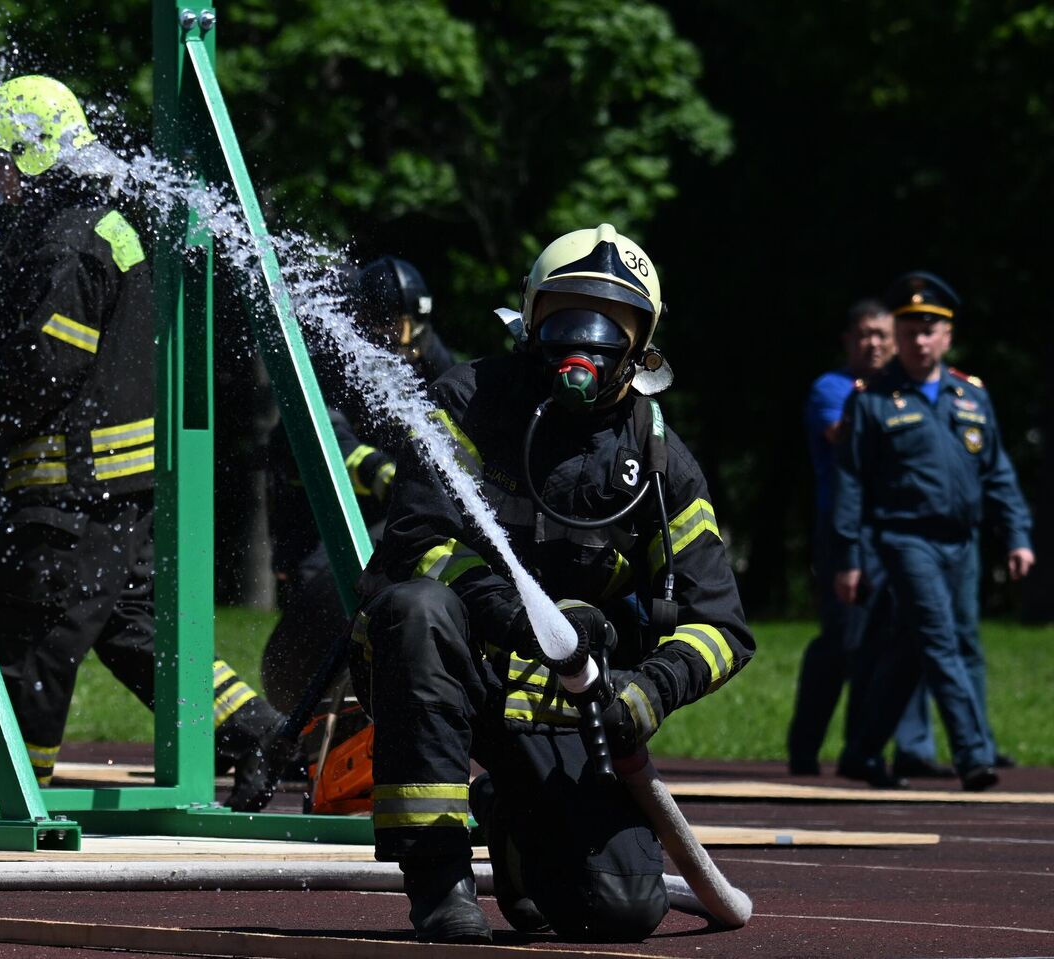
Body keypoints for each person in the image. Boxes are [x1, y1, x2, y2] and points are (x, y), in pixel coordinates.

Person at [348, 225, 754, 942]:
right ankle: (439, 880)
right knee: (417, 607)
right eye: (566, 317)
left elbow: (722, 625)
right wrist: (514, 612)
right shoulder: (470, 400)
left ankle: (510, 818)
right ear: (531, 319)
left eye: (609, 327)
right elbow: (419, 539)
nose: (585, 343)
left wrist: (650, 687)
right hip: (452, 667)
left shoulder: (658, 461)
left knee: (619, 907)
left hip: (565, 704)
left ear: (642, 343)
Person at [0, 75, 281, 810]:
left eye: (2, 159)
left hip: (73, 487)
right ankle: (256, 729)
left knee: (31, 643)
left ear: (36, 152)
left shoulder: (67, 242)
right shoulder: (108, 222)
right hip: (119, 486)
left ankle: (3, 796)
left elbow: (42, 370)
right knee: (134, 630)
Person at [832, 271, 1035, 792]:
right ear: (898, 335)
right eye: (911, 329)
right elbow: (851, 482)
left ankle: (861, 752)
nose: (920, 340)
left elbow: (998, 473)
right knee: (941, 641)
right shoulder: (873, 399)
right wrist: (849, 555)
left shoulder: (971, 397)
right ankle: (973, 756)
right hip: (905, 540)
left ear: (947, 336)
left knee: (918, 648)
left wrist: (1017, 535)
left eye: (931, 330)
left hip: (961, 544)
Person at [261, 255, 455, 714]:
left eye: (414, 326)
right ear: (366, 322)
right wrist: (385, 472)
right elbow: (325, 436)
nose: (407, 341)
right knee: (318, 590)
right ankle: (305, 716)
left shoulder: (426, 351)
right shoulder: (333, 355)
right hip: (316, 506)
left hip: (381, 512)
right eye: (395, 326)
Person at [788, 301, 950, 784]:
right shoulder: (834, 389)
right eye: (864, 335)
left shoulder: (902, 394)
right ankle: (805, 746)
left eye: (882, 334)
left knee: (897, 640)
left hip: (899, 534)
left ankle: (866, 752)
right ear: (848, 341)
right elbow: (845, 436)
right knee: (846, 641)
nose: (874, 344)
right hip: (846, 533)